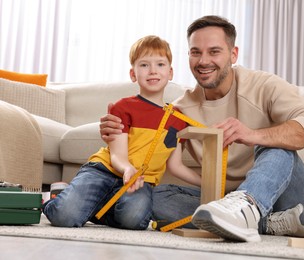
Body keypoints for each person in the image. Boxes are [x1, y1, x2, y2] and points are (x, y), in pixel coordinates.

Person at [100, 16, 304, 241]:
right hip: (224, 199)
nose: (203, 61)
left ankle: (246, 208)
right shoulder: (180, 110)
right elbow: (150, 149)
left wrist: (253, 135)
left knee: (273, 147)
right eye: (196, 52)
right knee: (156, 196)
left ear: (233, 54)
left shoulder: (263, 85)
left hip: (285, 196)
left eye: (214, 51)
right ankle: (270, 223)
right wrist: (118, 130)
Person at [43, 35, 201, 229]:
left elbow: (175, 166)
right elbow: (118, 155)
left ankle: (90, 207)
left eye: (160, 64)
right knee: (64, 217)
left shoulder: (177, 118)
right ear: (133, 74)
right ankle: (57, 198)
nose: (153, 70)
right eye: (144, 65)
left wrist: (208, 183)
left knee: (134, 219)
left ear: (170, 72)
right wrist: (127, 169)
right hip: (104, 171)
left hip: (140, 183)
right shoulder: (123, 107)